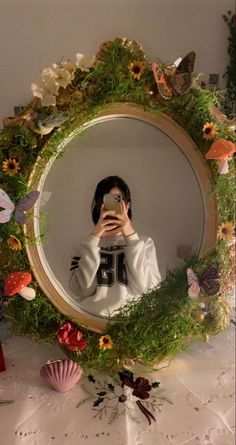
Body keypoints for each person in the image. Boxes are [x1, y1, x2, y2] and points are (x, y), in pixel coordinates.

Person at [69, 176, 161, 317]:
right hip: (90, 322)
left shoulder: (144, 243)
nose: (112, 208)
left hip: (130, 325)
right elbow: (80, 291)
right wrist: (94, 239)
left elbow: (148, 289)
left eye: (117, 201)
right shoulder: (84, 246)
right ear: (99, 205)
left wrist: (130, 236)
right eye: (107, 201)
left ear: (127, 205)